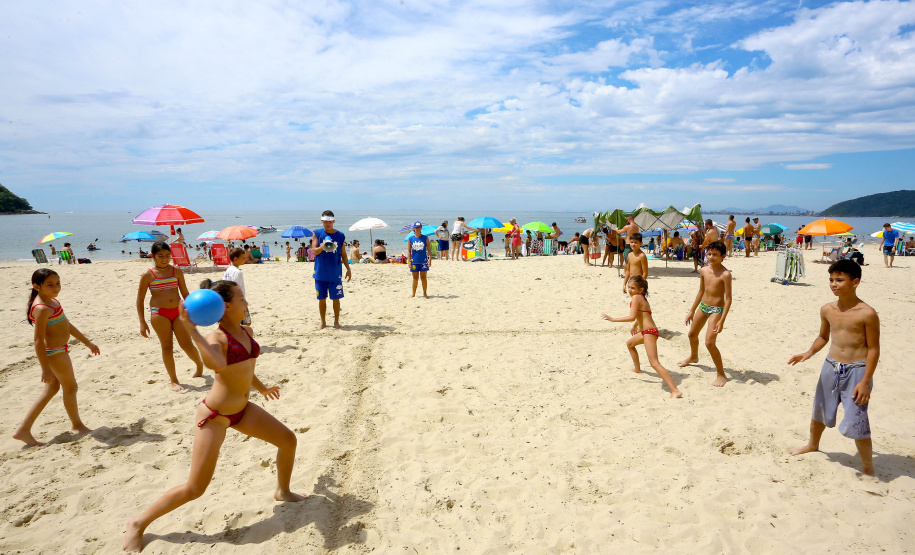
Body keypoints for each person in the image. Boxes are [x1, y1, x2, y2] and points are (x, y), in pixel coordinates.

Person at [122, 280, 306, 552]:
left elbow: (244, 366)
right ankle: (138, 523)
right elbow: (217, 365)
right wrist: (191, 330)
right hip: (215, 415)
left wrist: (261, 387)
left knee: (287, 440)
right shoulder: (215, 339)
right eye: (241, 298)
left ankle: (282, 491)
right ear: (226, 305)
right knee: (196, 487)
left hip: (243, 411)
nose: (246, 302)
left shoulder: (246, 330)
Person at [787, 259, 879, 476]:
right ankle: (812, 444)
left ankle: (868, 467)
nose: (833, 284)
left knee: (858, 417)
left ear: (855, 282)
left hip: (857, 370)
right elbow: (823, 337)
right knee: (819, 408)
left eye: (839, 280)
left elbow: (874, 349)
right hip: (831, 366)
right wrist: (808, 352)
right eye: (831, 280)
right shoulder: (827, 309)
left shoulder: (867, 313)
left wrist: (865, 381)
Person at [14, 269, 100, 446]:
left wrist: (87, 342)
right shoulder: (42, 308)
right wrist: (44, 368)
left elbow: (66, 324)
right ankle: (77, 425)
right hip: (55, 353)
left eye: (58, 283)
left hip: (60, 350)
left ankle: (23, 430)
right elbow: (38, 340)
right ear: (36, 286)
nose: (56, 287)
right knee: (71, 387)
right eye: (50, 285)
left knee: (51, 390)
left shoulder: (52, 302)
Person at [137, 241, 204, 391]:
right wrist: (142, 322)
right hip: (159, 313)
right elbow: (140, 299)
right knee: (167, 347)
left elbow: (185, 293)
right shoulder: (148, 275)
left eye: (167, 255)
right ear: (153, 256)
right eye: (160, 256)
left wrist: (194, 311)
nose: (165, 259)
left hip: (178, 311)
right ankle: (174, 380)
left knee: (186, 344)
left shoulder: (177, 271)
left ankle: (199, 365)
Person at [602, 276, 682, 399]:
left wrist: (613, 319)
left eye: (633, 288)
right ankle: (637, 369)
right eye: (628, 287)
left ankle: (675, 390)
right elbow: (643, 314)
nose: (630, 290)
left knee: (654, 363)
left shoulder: (636, 297)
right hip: (646, 331)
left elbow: (632, 316)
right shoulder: (641, 297)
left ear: (641, 289)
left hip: (649, 332)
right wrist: (635, 326)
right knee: (630, 344)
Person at [678, 241, 732, 387]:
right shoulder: (703, 270)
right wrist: (691, 310)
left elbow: (728, 299)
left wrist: (722, 321)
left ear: (723, 256)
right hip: (703, 306)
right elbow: (701, 291)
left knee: (709, 342)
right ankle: (694, 356)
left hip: (717, 310)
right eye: (709, 254)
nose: (711, 257)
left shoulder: (725, 274)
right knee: (691, 334)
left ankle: (721, 374)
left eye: (715, 254)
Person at [311, 210, 352, 329]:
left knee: (336, 298)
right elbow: (314, 251)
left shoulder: (340, 235)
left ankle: (336, 322)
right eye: (325, 221)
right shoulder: (317, 233)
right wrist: (322, 247)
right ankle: (323, 322)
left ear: (333, 221)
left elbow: (343, 254)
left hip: (335, 272)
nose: (327, 224)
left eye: (329, 221)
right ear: (322, 221)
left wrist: (348, 269)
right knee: (322, 298)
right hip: (320, 272)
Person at [224, 248, 251, 326]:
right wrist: (242, 301)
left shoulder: (228, 270)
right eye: (242, 257)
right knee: (245, 323)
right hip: (238, 301)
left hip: (231, 300)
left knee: (244, 322)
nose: (244, 259)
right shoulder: (238, 272)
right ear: (236, 259)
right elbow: (236, 289)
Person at [408, 221, 431, 298]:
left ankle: (425, 293)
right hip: (414, 261)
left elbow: (429, 249)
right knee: (415, 278)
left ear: (421, 228)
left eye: (419, 227)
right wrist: (409, 261)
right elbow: (408, 251)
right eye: (416, 227)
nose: (418, 229)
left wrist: (430, 259)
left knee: (424, 277)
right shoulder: (410, 239)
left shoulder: (425, 238)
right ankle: (413, 294)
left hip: (423, 261)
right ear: (414, 228)